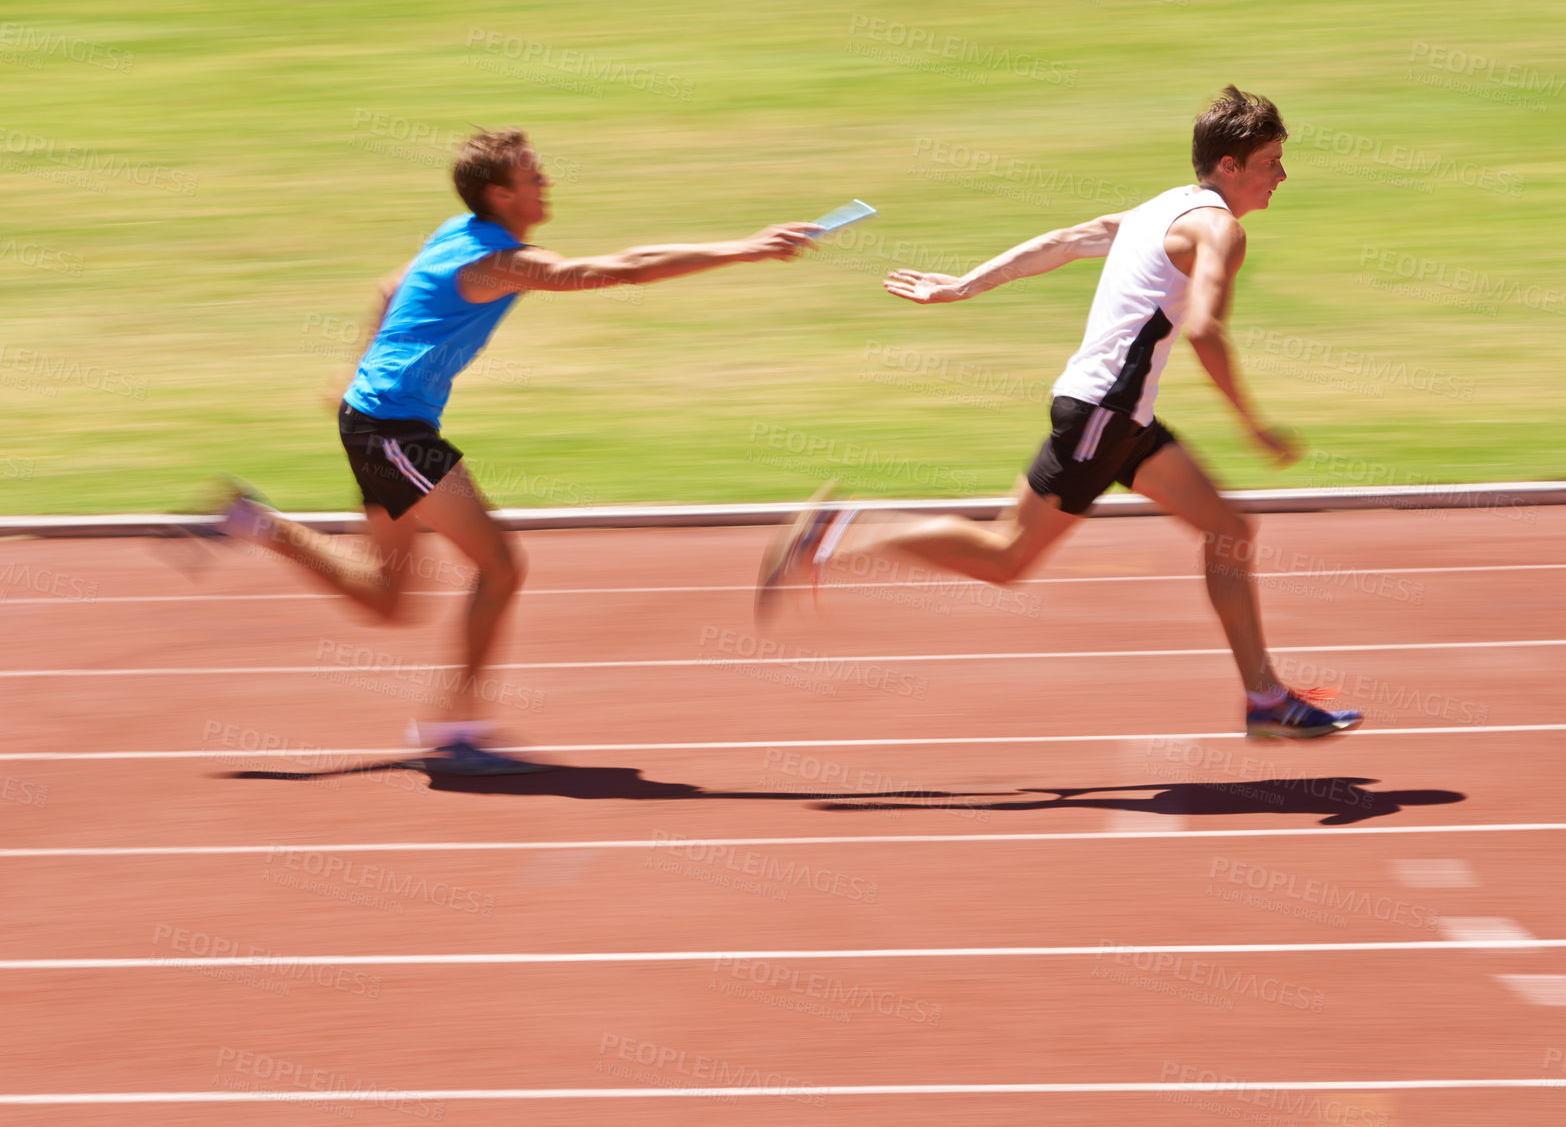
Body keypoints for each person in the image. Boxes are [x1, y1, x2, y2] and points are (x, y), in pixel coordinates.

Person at [758, 86, 1362, 739]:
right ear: (1230, 165)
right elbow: (1205, 331)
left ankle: (1265, 700)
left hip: (1115, 415)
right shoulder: (1220, 228)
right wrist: (1255, 427)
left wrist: (964, 284)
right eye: (1271, 161)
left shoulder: (1166, 206)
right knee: (1005, 557)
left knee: (1229, 531)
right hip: (1105, 414)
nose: (1282, 175)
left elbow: (1070, 240)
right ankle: (835, 535)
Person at [215, 127, 819, 772]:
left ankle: (259, 524)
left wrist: (360, 366)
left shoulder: (457, 232)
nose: (546, 185)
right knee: (501, 565)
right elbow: (617, 269)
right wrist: (744, 250)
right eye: (534, 177)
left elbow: (391, 287)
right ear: (501, 194)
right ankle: (455, 730)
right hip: (394, 431)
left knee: (388, 598)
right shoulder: (495, 262)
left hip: (373, 419)